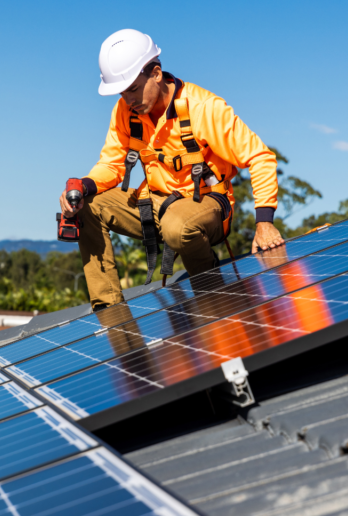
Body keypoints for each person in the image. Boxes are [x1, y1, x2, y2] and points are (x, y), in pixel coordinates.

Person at [61, 29, 283, 310]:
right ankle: (110, 313)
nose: (128, 99)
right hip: (155, 204)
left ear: (155, 73)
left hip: (206, 205)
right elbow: (111, 165)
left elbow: (260, 157)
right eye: (121, 92)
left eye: (132, 89)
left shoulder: (203, 108)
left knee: (177, 225)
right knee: (89, 207)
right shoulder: (125, 112)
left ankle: (211, 295)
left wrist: (264, 222)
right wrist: (83, 187)